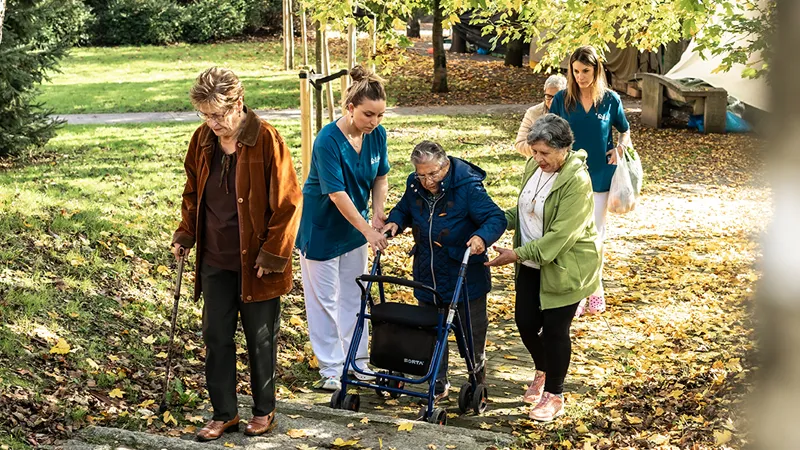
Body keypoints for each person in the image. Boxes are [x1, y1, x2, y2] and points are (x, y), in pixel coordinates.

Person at [172, 67, 302, 440]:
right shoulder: (202, 140)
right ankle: (223, 413)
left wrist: (273, 255)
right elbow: (193, 192)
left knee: (260, 338)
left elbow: (289, 203)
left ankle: (264, 411)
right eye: (205, 114)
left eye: (218, 114)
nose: (211, 122)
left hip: (256, 263)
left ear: (238, 104)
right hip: (215, 257)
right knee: (215, 337)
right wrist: (185, 232)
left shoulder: (266, 140)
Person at [486, 114, 601, 422]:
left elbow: (561, 236)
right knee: (524, 321)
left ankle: (554, 393)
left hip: (566, 265)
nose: (538, 159)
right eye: (534, 152)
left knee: (554, 329)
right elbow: (524, 209)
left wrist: (515, 254)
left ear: (564, 148)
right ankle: (543, 369)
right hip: (529, 261)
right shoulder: (533, 167)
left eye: (544, 153)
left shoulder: (577, 181)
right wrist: (493, 221)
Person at [382, 141, 506, 399]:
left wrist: (481, 237)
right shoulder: (414, 184)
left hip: (464, 276)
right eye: (422, 174)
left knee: (471, 336)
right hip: (428, 273)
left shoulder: (467, 186)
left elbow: (496, 217)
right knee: (431, 332)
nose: (428, 181)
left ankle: (476, 380)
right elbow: (405, 208)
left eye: (433, 174)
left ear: (446, 164)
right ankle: (438, 384)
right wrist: (395, 221)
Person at [295, 66, 390, 392]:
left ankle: (358, 363)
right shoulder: (327, 140)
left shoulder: (377, 134)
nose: (374, 121)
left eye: (379, 115)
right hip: (323, 227)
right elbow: (337, 194)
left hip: (357, 227)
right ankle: (332, 369)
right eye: (368, 114)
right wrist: (367, 230)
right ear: (349, 108)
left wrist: (377, 214)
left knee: (355, 297)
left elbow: (380, 177)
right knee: (324, 301)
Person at [547, 46, 632, 312]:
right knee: (570, 236)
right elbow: (551, 134)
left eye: (585, 71)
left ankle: (594, 291)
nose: (580, 76)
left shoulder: (610, 100)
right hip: (568, 178)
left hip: (600, 178)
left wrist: (620, 148)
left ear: (596, 70)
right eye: (575, 71)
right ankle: (574, 292)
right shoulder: (562, 99)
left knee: (595, 237)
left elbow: (625, 131)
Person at [515, 74, 568, 156]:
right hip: (539, 164)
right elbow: (520, 144)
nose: (552, 101)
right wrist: (542, 148)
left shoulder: (573, 112)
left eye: (557, 97)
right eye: (549, 96)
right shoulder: (533, 113)